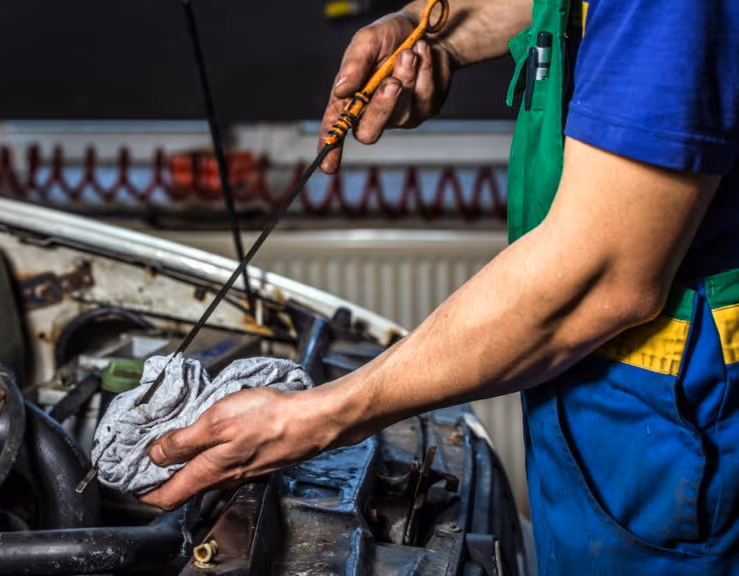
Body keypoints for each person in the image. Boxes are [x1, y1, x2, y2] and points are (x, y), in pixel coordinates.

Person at [141, 0, 739, 572]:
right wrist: (434, 32)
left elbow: (602, 275)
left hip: (683, 426)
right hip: (602, 398)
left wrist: (316, 418)